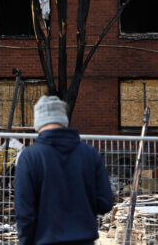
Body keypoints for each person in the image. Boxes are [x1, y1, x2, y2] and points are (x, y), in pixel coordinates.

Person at [15, 96, 114, 245]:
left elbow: (24, 213)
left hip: (45, 240)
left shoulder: (30, 157)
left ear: (38, 122)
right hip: (84, 239)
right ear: (64, 120)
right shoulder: (90, 153)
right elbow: (105, 202)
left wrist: (25, 241)